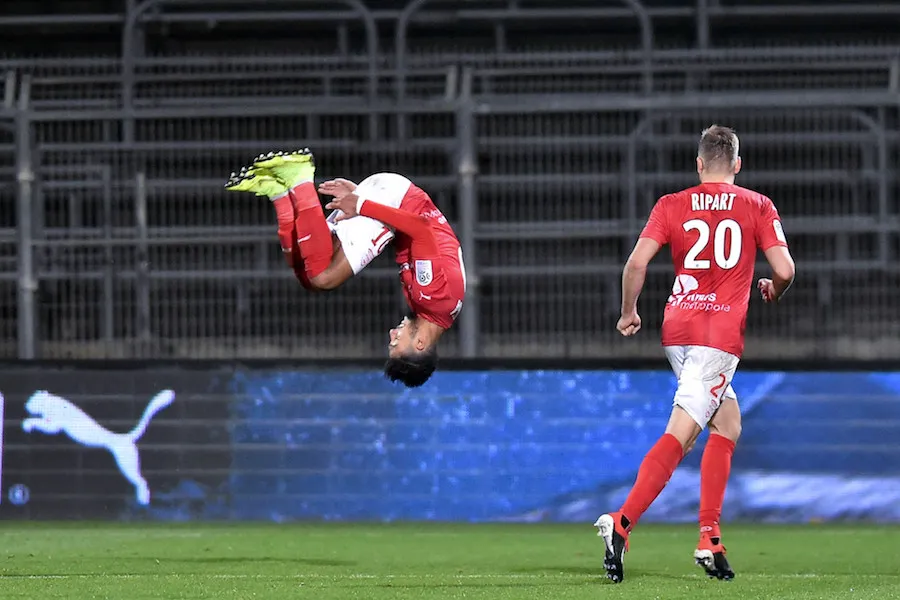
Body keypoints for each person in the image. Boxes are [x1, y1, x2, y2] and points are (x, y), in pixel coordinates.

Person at [595, 125, 796, 583]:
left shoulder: (670, 204)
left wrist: (628, 312)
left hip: (678, 330)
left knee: (727, 423)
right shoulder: (757, 205)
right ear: (738, 166)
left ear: (700, 164)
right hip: (718, 337)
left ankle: (710, 537)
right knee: (683, 433)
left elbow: (636, 263)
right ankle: (621, 523)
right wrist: (774, 289)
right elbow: (785, 268)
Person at [224, 150, 467, 388]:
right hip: (395, 199)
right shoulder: (433, 298)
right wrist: (362, 204)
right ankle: (298, 176)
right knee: (324, 277)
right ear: (421, 343)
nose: (392, 334)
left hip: (392, 199)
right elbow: (422, 229)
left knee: (309, 276)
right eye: (396, 344)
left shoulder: (436, 310)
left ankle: (277, 191)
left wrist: (361, 196)